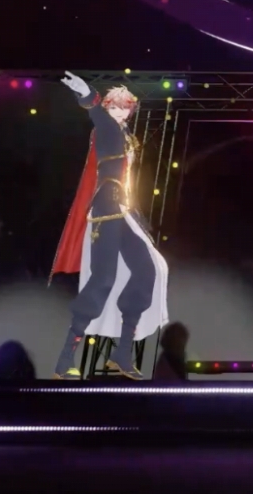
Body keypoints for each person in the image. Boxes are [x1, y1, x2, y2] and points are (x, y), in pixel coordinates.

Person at [49, 72, 169, 379]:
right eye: (113, 106)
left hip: (122, 210)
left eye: (124, 107)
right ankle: (64, 360)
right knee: (103, 279)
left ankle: (122, 354)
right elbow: (97, 113)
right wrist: (87, 94)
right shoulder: (106, 128)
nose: (119, 111)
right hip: (106, 209)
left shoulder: (124, 134)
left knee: (148, 270)